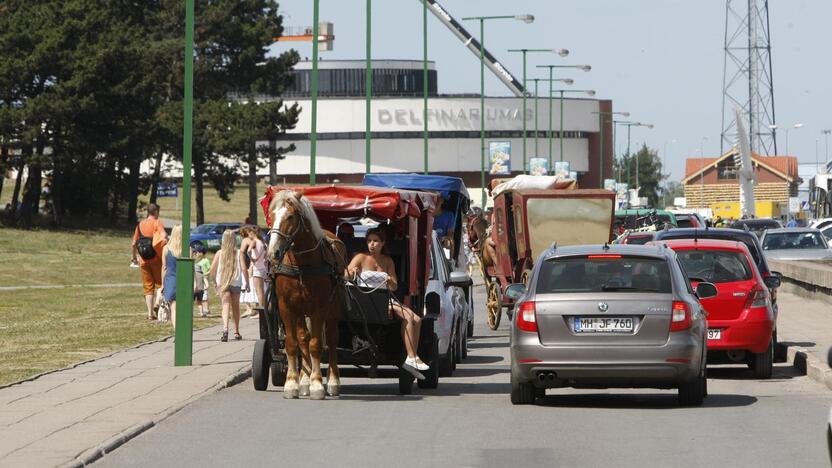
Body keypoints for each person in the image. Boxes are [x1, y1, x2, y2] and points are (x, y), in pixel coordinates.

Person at [345, 228, 429, 371]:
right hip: (365, 300)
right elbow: (345, 277)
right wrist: (352, 274)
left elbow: (394, 286)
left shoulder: (388, 261)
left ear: (382, 243)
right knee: (409, 317)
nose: (372, 244)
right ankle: (412, 356)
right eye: (369, 241)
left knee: (417, 319)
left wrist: (389, 280)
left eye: (376, 241)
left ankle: (412, 357)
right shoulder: (360, 257)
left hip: (385, 299)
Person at [131, 204, 167, 320]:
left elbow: (133, 243)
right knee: (161, 284)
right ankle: (158, 304)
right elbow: (164, 235)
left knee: (148, 286)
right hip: (156, 258)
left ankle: (150, 314)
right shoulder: (157, 223)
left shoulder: (140, 225)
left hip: (143, 260)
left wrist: (134, 257)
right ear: (156, 211)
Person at [210, 230, 247, 341]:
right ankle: (236, 331)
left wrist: (215, 282)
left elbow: (212, 270)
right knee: (236, 307)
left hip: (223, 283)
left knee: (225, 306)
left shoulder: (219, 253)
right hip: (236, 283)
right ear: (234, 240)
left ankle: (225, 329)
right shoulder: (239, 253)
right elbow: (244, 268)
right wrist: (247, 283)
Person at [240, 225, 268, 319]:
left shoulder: (254, 241)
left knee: (258, 291)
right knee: (263, 290)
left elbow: (247, 251)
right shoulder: (262, 242)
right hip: (263, 268)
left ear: (252, 233)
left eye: (249, 233)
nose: (248, 235)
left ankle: (261, 312)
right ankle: (265, 309)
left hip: (257, 269)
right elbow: (266, 256)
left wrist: (252, 259)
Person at [161, 225, 182, 328]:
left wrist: (162, 284)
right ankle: (181, 330)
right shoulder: (187, 249)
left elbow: (164, 268)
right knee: (182, 308)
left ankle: (176, 331)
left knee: (173, 307)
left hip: (171, 280)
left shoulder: (166, 249)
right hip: (183, 280)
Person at [193, 243, 211, 317]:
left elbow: (210, 269)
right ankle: (204, 310)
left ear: (201, 253)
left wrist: (204, 274)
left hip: (204, 280)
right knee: (202, 298)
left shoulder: (206, 260)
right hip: (199, 281)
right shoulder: (198, 262)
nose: (196, 254)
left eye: (197, 252)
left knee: (204, 297)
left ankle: (206, 309)